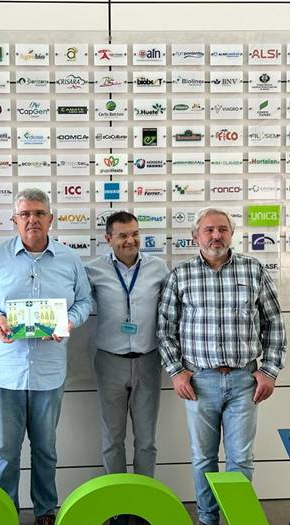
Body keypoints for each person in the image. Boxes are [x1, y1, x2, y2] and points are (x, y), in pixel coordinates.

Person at [0, 189, 92, 525]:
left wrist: (69, 321)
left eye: (39, 213)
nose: (32, 219)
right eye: (25, 214)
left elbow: (85, 301)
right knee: (5, 452)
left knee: (45, 450)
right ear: (14, 220)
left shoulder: (69, 259)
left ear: (51, 219)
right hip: (4, 373)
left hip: (49, 373)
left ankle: (45, 511)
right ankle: (4, 511)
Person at [157, 207, 287, 525]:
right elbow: (165, 328)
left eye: (222, 229)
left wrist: (269, 370)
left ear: (231, 233)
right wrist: (176, 371)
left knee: (241, 458)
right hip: (199, 381)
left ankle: (237, 518)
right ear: (195, 236)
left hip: (245, 381)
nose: (216, 236)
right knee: (203, 458)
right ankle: (207, 518)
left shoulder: (253, 270)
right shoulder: (180, 275)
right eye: (209, 230)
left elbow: (274, 323)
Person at [85, 211, 169, 525]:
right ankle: (118, 507)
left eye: (134, 233)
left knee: (146, 440)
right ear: (108, 239)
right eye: (122, 235)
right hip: (110, 361)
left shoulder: (158, 268)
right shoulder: (93, 270)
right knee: (112, 439)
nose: (130, 240)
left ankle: (143, 505)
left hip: (148, 359)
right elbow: (76, 304)